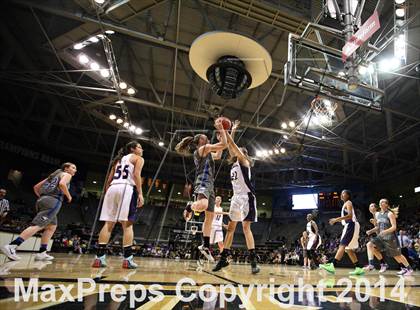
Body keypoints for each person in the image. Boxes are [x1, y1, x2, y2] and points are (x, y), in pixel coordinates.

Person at [1, 163, 76, 261]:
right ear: (66, 168)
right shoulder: (67, 175)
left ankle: (42, 252)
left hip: (42, 200)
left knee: (51, 226)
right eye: (73, 168)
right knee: (38, 225)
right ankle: (12, 246)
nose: (75, 170)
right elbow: (62, 184)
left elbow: (36, 187)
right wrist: (69, 196)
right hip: (53, 201)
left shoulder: (52, 176)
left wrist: (43, 197)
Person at [176, 120, 227, 262]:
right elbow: (224, 145)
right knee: (203, 205)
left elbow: (218, 155)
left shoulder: (208, 152)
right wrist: (222, 130)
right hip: (202, 181)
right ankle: (189, 206)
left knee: (209, 217)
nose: (208, 139)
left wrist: (222, 137)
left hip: (210, 185)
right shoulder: (201, 150)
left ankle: (205, 245)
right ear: (200, 142)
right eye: (205, 138)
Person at [213, 120, 260, 274]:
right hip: (236, 198)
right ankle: (223, 259)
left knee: (246, 228)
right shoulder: (234, 164)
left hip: (247, 197)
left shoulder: (244, 161)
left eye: (239, 150)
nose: (236, 150)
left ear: (243, 153)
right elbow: (230, 147)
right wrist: (231, 130)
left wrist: (225, 130)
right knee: (231, 229)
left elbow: (232, 145)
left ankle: (253, 261)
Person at [92, 141, 144, 269]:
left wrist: (107, 193)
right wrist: (140, 194)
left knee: (108, 223)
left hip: (112, 188)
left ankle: (99, 258)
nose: (142, 150)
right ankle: (127, 259)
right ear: (133, 149)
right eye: (140, 147)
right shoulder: (138, 158)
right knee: (127, 225)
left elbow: (108, 180)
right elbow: (136, 175)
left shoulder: (118, 160)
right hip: (126, 188)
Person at [319, 190, 364, 275]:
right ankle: (359, 268)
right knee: (349, 249)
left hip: (351, 225)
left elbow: (350, 216)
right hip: (351, 225)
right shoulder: (346, 204)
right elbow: (348, 217)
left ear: (348, 195)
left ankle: (333, 265)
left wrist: (336, 219)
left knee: (342, 245)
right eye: (341, 193)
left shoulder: (348, 203)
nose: (342, 195)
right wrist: (339, 220)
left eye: (344, 193)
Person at [365, 199, 413, 276]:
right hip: (381, 237)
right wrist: (371, 231)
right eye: (380, 201)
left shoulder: (390, 214)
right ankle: (371, 264)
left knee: (397, 255)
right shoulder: (378, 214)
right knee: (369, 245)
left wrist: (385, 231)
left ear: (387, 205)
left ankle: (408, 269)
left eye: (383, 202)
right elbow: (378, 227)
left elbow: (394, 227)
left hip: (391, 237)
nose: (380, 202)